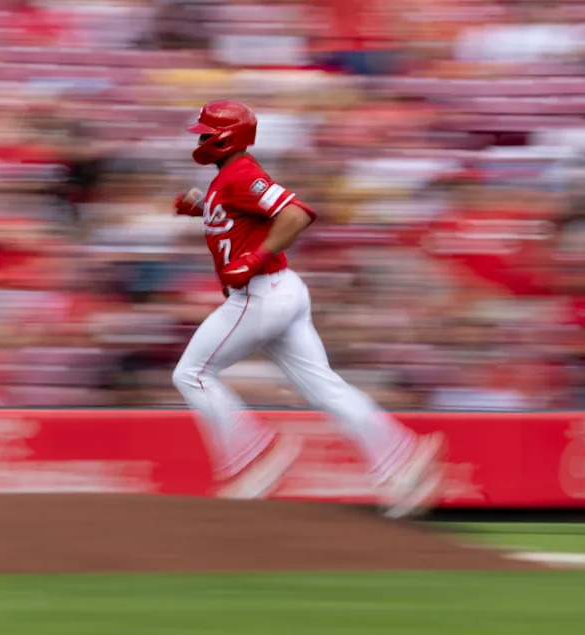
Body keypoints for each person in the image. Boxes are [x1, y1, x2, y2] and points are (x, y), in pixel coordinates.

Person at [172, 99, 443, 519]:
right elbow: (241, 219)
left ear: (227, 137)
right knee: (325, 388)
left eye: (207, 133)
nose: (202, 138)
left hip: (261, 295)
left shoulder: (241, 172)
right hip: (282, 292)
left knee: (191, 373)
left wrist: (256, 257)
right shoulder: (228, 176)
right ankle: (402, 457)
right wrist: (202, 208)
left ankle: (257, 456)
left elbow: (296, 214)